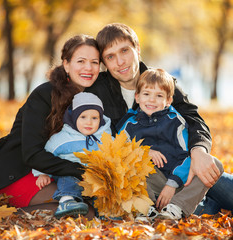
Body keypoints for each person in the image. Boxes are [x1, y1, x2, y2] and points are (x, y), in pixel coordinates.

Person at [86, 23, 233, 215]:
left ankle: (205, 199)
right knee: (208, 208)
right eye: (110, 57)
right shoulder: (99, 92)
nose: (120, 61)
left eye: (124, 51)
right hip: (148, 181)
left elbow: (193, 119)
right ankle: (204, 203)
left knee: (209, 168)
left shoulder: (163, 82)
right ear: (104, 63)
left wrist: (198, 150)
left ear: (137, 50)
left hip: (182, 166)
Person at [0, 34, 100, 218]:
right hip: (19, 171)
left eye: (95, 62)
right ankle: (5, 217)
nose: (88, 68)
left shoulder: (94, 98)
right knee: (82, 211)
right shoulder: (45, 94)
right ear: (66, 64)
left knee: (96, 205)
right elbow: (31, 153)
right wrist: (84, 172)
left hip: (59, 173)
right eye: (81, 61)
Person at [116, 69, 223, 220]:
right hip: (149, 184)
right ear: (137, 97)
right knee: (131, 164)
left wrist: (172, 184)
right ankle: (146, 209)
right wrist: (143, 152)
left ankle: (174, 209)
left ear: (168, 100)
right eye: (146, 94)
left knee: (215, 163)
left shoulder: (176, 122)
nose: (151, 100)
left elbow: (187, 156)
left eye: (159, 96)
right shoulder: (128, 125)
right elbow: (119, 151)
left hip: (179, 183)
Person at [32, 92, 112, 218]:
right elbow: (45, 154)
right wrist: (42, 173)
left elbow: (118, 152)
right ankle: (66, 201)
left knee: (104, 188)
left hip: (94, 178)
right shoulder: (63, 138)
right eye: (83, 117)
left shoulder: (105, 138)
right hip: (70, 173)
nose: (89, 122)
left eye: (94, 118)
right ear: (74, 117)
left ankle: (105, 214)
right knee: (69, 176)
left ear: (101, 119)